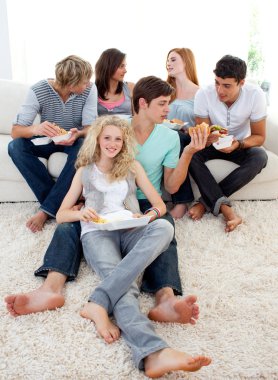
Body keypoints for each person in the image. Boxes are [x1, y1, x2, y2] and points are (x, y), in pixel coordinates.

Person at [5, 76, 207, 327]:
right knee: (67, 227)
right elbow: (92, 167)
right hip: (103, 204)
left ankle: (164, 298)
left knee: (166, 229)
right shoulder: (117, 128)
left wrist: (188, 153)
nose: (169, 109)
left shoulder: (169, 136)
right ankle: (50, 288)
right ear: (143, 104)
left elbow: (172, 187)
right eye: (163, 104)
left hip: (142, 204)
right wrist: (81, 203)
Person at [56, 115, 211, 376]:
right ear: (97, 139)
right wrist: (79, 214)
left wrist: (146, 216)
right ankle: (154, 353)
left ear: (124, 142)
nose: (112, 143)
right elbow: (61, 214)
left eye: (118, 138)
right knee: (125, 285)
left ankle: (98, 301)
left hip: (130, 228)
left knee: (163, 226)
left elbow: (160, 206)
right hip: (97, 233)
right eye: (107, 138)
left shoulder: (133, 167)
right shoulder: (84, 170)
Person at [8, 55, 98, 233]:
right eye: (84, 82)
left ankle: (46, 210)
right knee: (15, 146)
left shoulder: (89, 90)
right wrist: (36, 129)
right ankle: (57, 205)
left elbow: (91, 127)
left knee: (82, 145)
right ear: (71, 84)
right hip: (46, 140)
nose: (88, 84)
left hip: (73, 139)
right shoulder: (38, 90)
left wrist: (77, 133)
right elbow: (15, 131)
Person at [188, 54, 268, 232]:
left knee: (260, 156)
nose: (219, 90)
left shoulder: (255, 95)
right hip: (212, 144)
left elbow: (259, 137)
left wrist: (237, 144)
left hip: (239, 144)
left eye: (226, 86)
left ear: (241, 83)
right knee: (189, 153)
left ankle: (205, 203)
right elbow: (202, 130)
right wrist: (207, 136)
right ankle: (226, 209)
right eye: (217, 83)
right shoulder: (204, 94)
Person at [166, 48, 200, 219]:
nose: (168, 63)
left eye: (173, 60)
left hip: (189, 139)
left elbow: (203, 124)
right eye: (167, 60)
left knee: (177, 138)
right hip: (166, 138)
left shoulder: (200, 93)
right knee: (172, 138)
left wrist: (189, 129)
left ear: (186, 62)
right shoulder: (166, 90)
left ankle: (181, 203)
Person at [95, 48, 134, 117]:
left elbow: (137, 117)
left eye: (125, 66)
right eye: (121, 66)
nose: (125, 71)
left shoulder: (130, 87)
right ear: (109, 67)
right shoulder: (93, 90)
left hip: (126, 127)